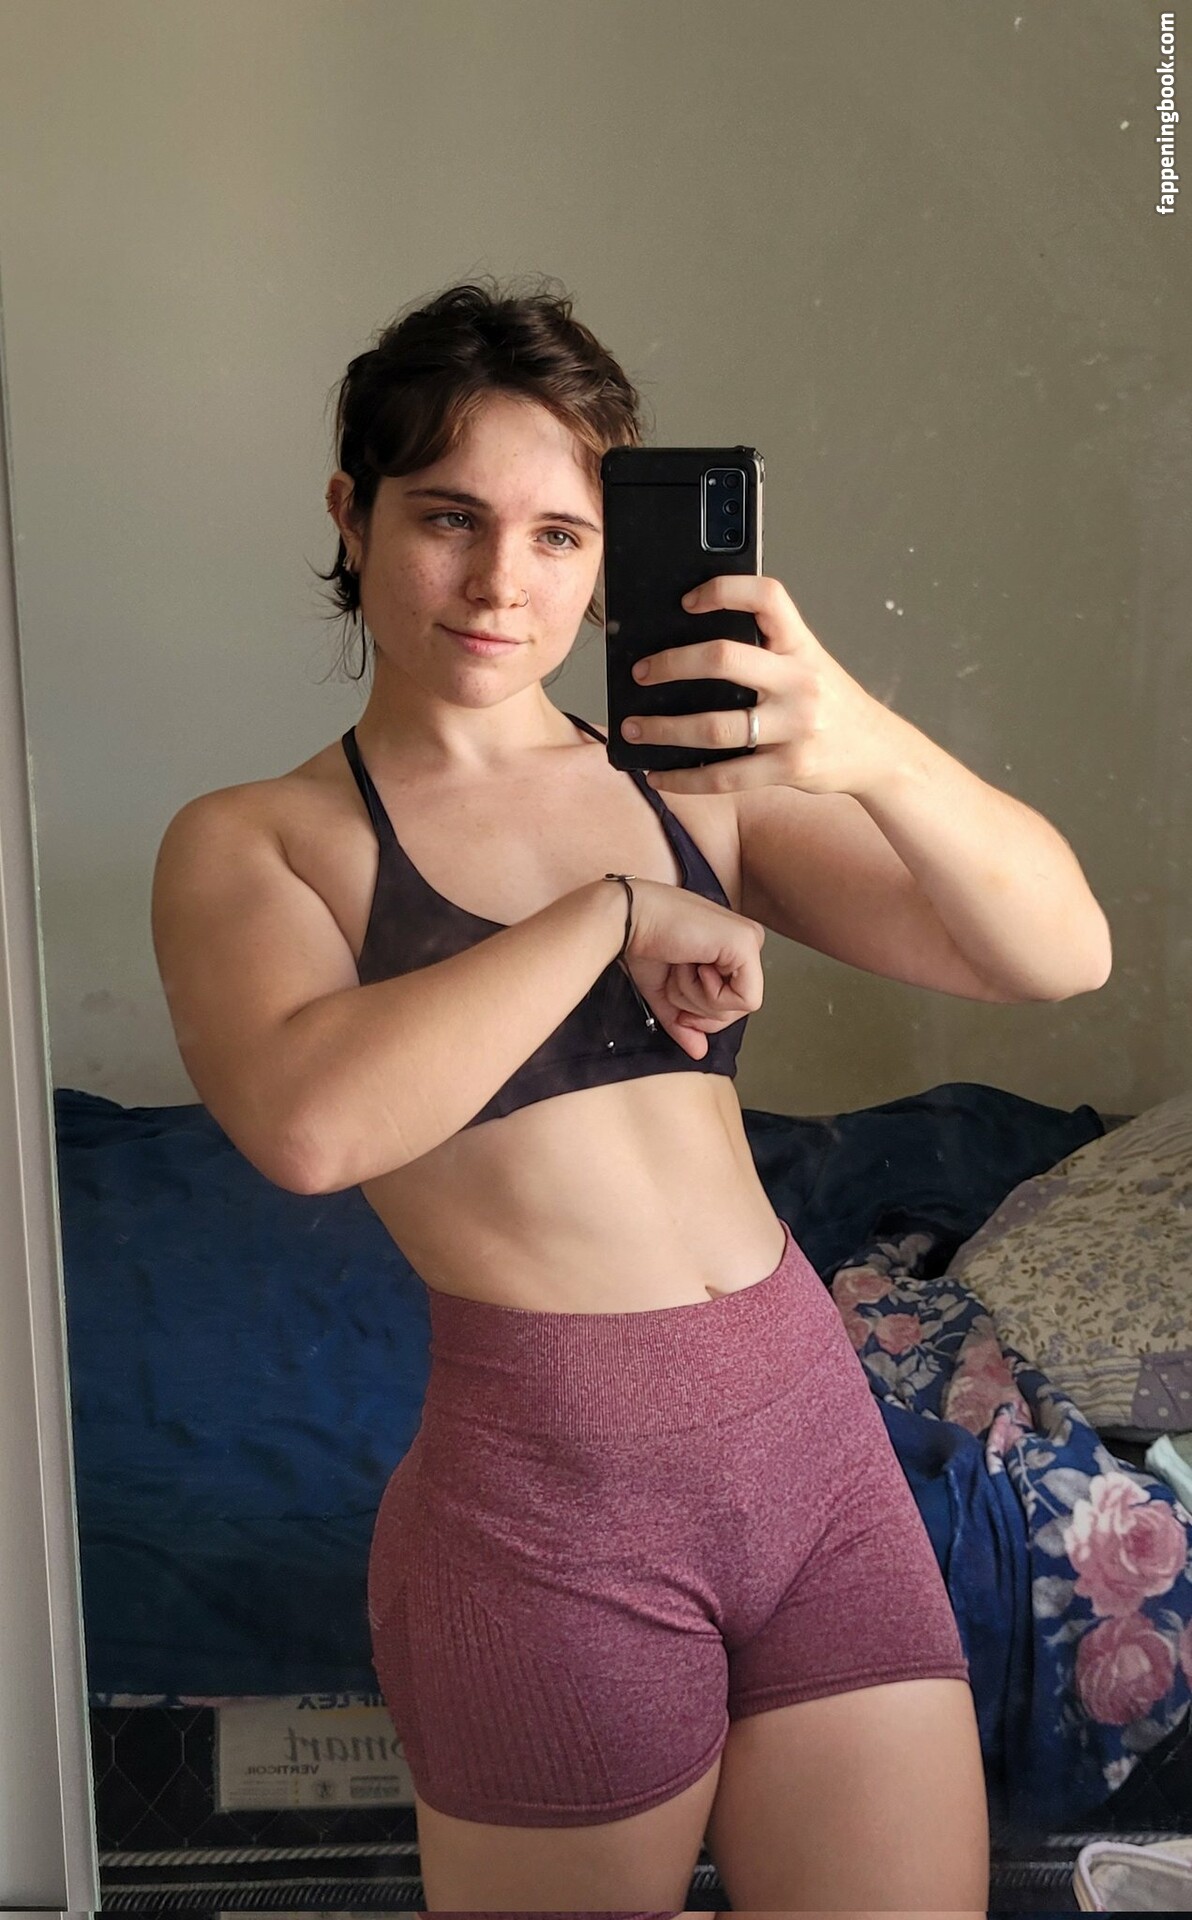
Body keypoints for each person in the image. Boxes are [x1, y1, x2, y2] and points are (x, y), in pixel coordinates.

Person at [151, 278, 1111, 1918]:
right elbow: (312, 1126)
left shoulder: (681, 780)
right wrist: (603, 916)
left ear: (606, 558)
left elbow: (1059, 951)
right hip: (548, 1513)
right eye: (448, 518)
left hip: (812, 1456)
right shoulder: (260, 840)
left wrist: (861, 738)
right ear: (351, 515)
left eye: (558, 536)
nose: (500, 584)